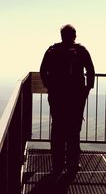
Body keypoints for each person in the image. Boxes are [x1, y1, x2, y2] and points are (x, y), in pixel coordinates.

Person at [40, 24, 95, 176]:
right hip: (76, 98)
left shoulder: (52, 51)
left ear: (61, 35)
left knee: (57, 130)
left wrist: (50, 87)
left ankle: (57, 165)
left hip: (57, 97)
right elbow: (90, 71)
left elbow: (43, 71)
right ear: (74, 35)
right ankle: (72, 163)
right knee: (74, 130)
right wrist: (86, 90)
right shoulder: (81, 51)